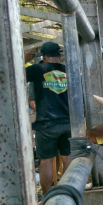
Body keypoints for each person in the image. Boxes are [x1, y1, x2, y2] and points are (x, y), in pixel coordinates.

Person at [25, 41, 72, 195]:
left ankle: (47, 196)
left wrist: (25, 57)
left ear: (43, 56)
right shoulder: (68, 71)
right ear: (59, 55)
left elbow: (13, 72)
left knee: (45, 160)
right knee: (67, 158)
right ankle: (66, 193)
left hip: (46, 124)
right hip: (68, 122)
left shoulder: (37, 69)